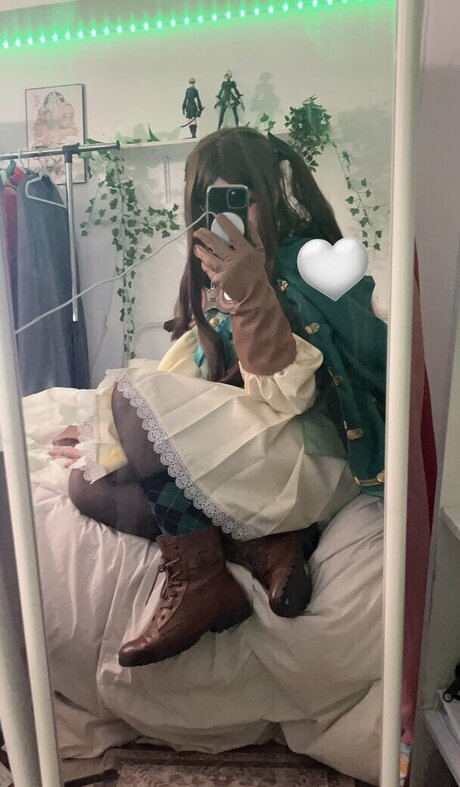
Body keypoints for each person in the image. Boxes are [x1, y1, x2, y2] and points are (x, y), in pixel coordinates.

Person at [51, 127, 387, 669]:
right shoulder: (210, 276)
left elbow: (287, 398)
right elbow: (193, 379)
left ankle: (198, 580)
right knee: (86, 483)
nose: (227, 219)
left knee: (130, 397)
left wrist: (252, 295)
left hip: (300, 452)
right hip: (246, 444)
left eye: (241, 199)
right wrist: (109, 437)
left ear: (271, 194)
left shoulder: (303, 265)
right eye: (210, 205)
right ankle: (257, 550)